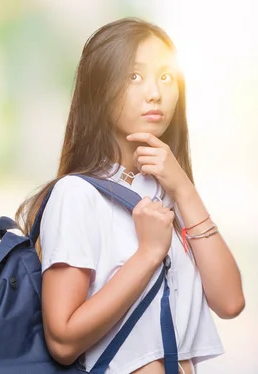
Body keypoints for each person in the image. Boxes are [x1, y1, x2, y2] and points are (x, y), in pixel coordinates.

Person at [15, 17, 245, 373]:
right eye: (134, 76)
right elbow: (62, 340)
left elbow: (230, 302)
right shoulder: (77, 195)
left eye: (166, 76)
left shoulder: (170, 191)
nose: (155, 92)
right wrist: (149, 253)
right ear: (100, 89)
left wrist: (183, 187)